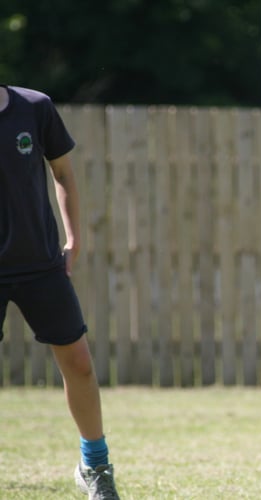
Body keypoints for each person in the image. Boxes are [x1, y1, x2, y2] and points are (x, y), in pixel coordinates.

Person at [0, 85, 120, 500]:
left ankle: (95, 465)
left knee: (80, 363)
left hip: (41, 263)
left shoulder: (35, 107)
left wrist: (74, 237)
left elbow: (63, 172)